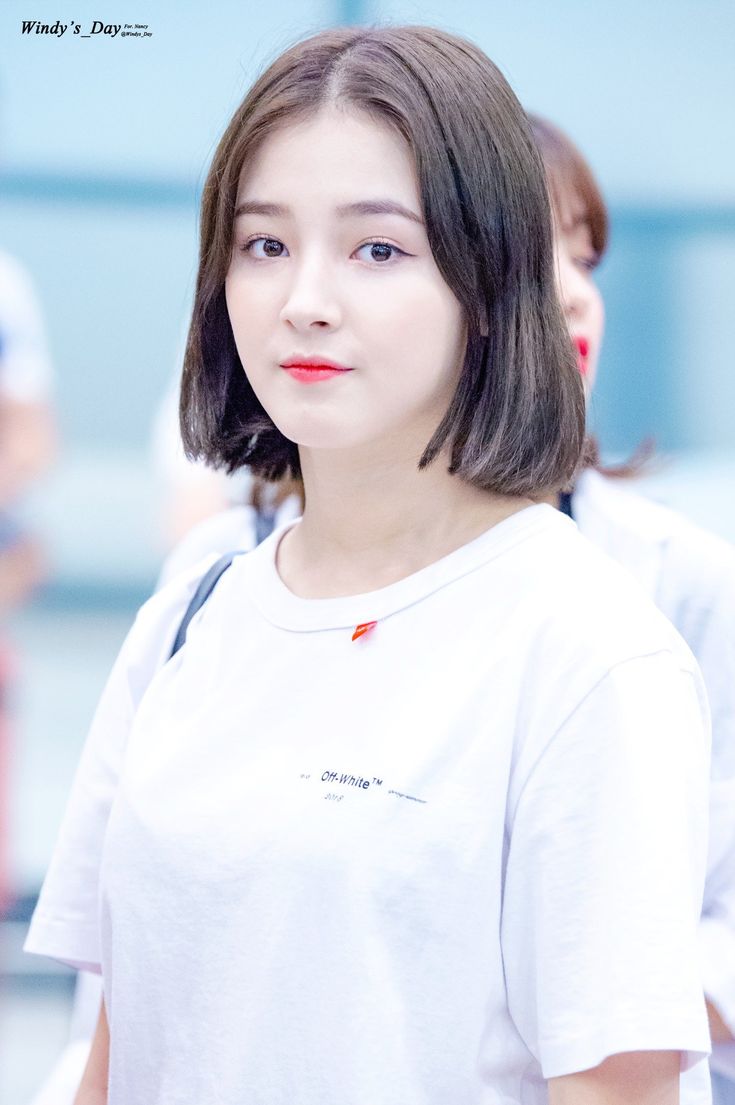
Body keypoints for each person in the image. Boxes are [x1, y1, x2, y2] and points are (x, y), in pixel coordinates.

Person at [25, 26, 712, 1105]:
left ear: (490, 284)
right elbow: (123, 1045)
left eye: (377, 250)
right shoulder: (195, 613)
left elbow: (617, 1087)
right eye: (264, 244)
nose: (305, 298)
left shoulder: (586, 651)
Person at [531, 112, 735, 1104]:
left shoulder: (683, 582)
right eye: (530, 258)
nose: (574, 293)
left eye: (583, 258)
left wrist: (597, 1006)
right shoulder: (227, 578)